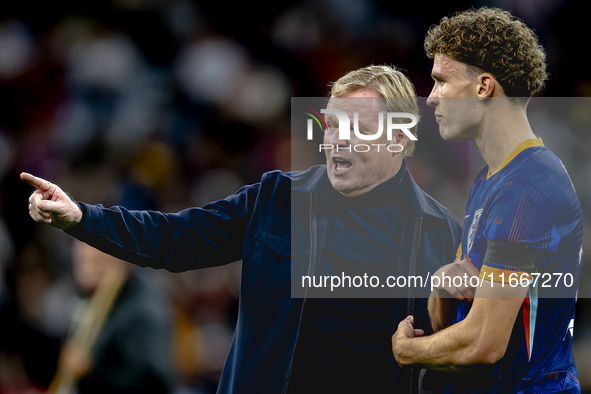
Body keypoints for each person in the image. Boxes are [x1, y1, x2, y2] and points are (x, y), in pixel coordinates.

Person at [23, 65, 461, 393]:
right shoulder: (277, 198)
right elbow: (177, 239)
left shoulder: (443, 235)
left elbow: (454, 357)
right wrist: (82, 216)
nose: (337, 141)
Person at [391, 7, 583, 393]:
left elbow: (483, 343)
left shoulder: (525, 188)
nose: (430, 99)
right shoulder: (493, 179)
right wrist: (443, 288)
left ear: (483, 87)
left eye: (441, 81)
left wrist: (407, 351)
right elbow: (459, 326)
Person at [51, 240, 175, 394]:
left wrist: (92, 369)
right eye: (81, 263)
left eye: (96, 263)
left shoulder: (142, 312)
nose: (86, 273)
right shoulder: (101, 298)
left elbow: (152, 384)